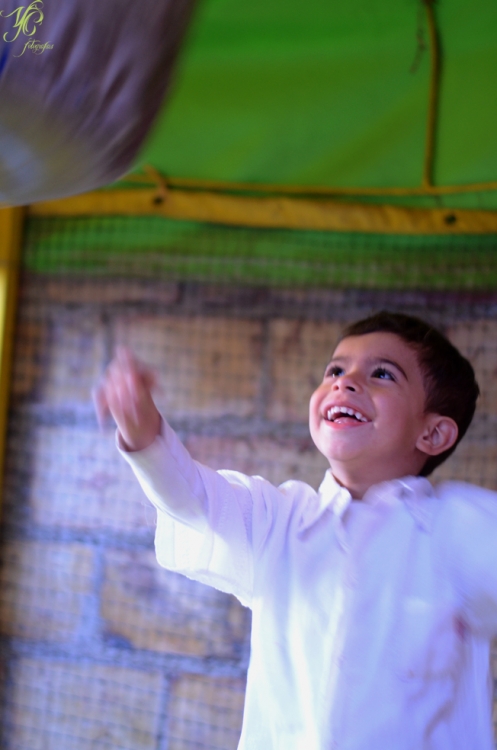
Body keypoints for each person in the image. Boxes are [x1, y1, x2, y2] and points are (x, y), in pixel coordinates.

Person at [94, 310, 497, 750]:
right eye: (336, 370)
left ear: (434, 433)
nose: (345, 382)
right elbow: (193, 498)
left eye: (382, 374)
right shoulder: (277, 519)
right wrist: (145, 435)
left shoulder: (460, 529)